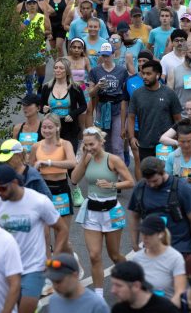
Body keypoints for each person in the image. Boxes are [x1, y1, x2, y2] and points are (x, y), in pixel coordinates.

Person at [0, 164, 69, 313]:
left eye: (2, 188)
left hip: (33, 267)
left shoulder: (39, 201)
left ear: (14, 182)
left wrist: (54, 257)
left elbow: (62, 228)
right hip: (6, 268)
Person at [71, 127, 135, 298]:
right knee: (94, 255)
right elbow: (74, 179)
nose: (89, 147)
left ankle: (133, 277)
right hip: (92, 211)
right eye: (86, 145)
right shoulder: (87, 158)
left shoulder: (113, 160)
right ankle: (98, 295)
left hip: (111, 211)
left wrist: (113, 185)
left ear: (101, 142)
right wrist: (83, 156)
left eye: (92, 144)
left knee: (114, 255)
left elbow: (130, 182)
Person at [128, 157, 191, 255]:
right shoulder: (140, 188)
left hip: (179, 249)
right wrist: (134, 243)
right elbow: (134, 216)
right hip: (152, 249)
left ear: (162, 172)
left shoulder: (183, 188)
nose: (151, 185)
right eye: (148, 181)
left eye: (155, 181)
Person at [28, 114, 77, 249]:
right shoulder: (36, 146)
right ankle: (49, 267)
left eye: (50, 127)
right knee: (43, 236)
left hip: (61, 190)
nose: (47, 130)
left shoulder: (65, 144)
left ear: (57, 128)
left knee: (62, 238)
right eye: (44, 127)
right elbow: (29, 168)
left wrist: (50, 163)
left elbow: (73, 163)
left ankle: (72, 266)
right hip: (42, 189)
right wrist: (35, 168)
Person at [127, 60, 182, 161]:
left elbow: (178, 119)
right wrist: (131, 137)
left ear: (157, 75)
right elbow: (130, 117)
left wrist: (176, 139)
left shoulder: (169, 93)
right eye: (143, 73)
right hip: (144, 143)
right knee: (148, 174)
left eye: (148, 74)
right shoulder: (137, 94)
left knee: (166, 174)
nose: (144, 76)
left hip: (166, 144)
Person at [131, 215, 186, 303]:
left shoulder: (176, 258)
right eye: (143, 233)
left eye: (149, 234)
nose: (145, 237)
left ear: (161, 234)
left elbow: (180, 292)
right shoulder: (137, 258)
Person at [88, 42, 128, 160]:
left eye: (108, 55)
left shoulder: (122, 71)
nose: (105, 58)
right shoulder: (95, 71)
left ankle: (120, 175)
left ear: (113, 54)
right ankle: (106, 172)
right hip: (102, 108)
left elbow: (125, 92)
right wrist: (97, 86)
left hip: (117, 108)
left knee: (117, 145)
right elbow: (90, 93)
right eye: (103, 55)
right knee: (103, 144)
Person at [40, 57, 88, 152]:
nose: (58, 70)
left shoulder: (75, 87)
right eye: (56, 68)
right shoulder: (46, 87)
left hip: (69, 127)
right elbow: (41, 107)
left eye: (61, 68)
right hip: (51, 128)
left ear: (67, 71)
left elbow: (83, 106)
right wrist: (43, 109)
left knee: (69, 155)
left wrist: (73, 114)